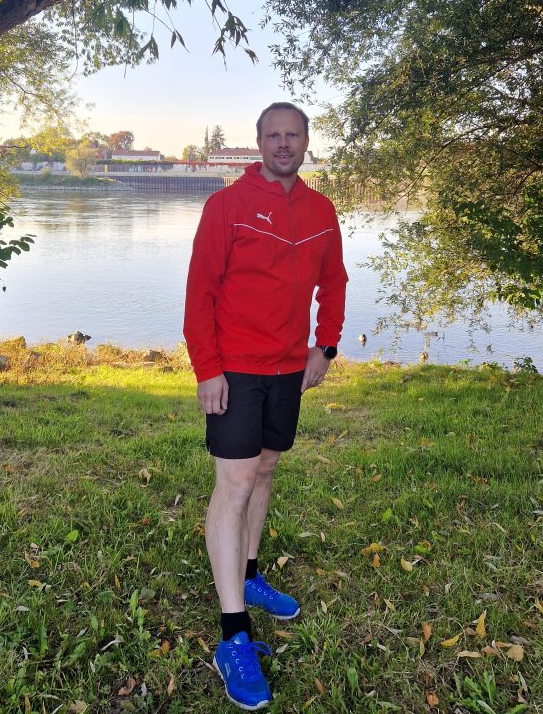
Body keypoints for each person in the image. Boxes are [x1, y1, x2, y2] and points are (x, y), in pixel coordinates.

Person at [183, 102, 347, 710]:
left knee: (268, 468)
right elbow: (200, 291)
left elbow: (334, 282)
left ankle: (249, 574)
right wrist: (207, 368)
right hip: (236, 367)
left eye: (293, 135)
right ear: (258, 141)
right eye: (273, 135)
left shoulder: (321, 210)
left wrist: (325, 344)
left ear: (305, 142)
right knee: (237, 480)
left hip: (287, 367)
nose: (283, 144)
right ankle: (233, 636)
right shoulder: (225, 206)